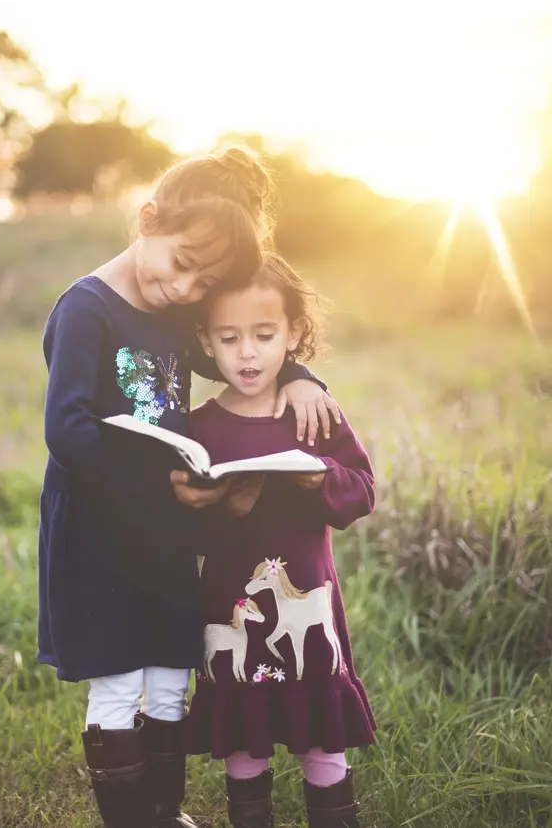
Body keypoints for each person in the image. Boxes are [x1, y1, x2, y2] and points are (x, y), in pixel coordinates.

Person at [38, 149, 340, 828]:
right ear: (147, 220)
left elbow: (237, 355)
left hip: (164, 531)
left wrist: (298, 376)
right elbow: (66, 430)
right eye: (182, 264)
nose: (186, 289)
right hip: (98, 528)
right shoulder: (86, 308)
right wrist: (153, 490)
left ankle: (164, 812)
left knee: (172, 675)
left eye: (204, 282)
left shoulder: (176, 311)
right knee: (119, 679)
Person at [184, 253, 376, 828]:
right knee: (245, 743)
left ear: (292, 333)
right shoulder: (199, 427)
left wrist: (321, 477)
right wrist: (228, 508)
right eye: (229, 336)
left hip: (309, 599)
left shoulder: (313, 411)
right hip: (231, 607)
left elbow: (362, 490)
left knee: (323, 740)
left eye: (264, 335)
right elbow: (183, 528)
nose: (247, 351)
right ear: (205, 340)